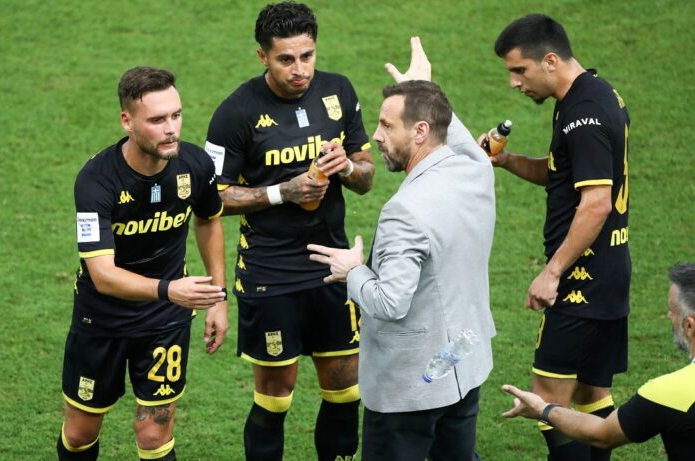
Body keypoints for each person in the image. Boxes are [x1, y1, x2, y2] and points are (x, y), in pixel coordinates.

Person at [308, 41, 497, 460]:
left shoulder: (404, 211)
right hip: (462, 362)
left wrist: (352, 270)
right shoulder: (476, 168)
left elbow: (390, 303)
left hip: (412, 387)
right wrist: (423, 88)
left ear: (420, 132)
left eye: (386, 126)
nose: (375, 135)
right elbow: (457, 137)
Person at [204, 3, 374, 460]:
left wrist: (347, 167)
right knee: (276, 395)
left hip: (333, 266)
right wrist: (283, 192)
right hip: (270, 273)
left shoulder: (339, 91)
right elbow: (212, 197)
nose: (300, 70)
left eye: (307, 56)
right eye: (286, 59)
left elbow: (366, 176)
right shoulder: (235, 113)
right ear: (263, 56)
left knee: (346, 390)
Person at [57, 67, 228, 461]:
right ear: (127, 121)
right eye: (157, 120)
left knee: (153, 433)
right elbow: (103, 275)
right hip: (102, 318)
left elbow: (208, 220)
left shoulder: (196, 165)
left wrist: (217, 297)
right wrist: (170, 290)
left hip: (165, 319)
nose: (171, 129)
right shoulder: (96, 181)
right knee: (80, 433)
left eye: (176, 115)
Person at [488, 14, 631, 460]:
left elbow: (596, 203)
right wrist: (508, 161)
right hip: (610, 273)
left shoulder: (582, 116)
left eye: (520, 70)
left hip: (581, 280)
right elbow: (563, 175)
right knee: (591, 396)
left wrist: (552, 272)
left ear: (550, 60)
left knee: (545, 401)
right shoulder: (594, 93)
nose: (514, 83)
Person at [501, 263, 695, 461]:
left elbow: (602, 434)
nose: (668, 316)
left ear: (689, 326)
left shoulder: (669, 393)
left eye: (672, 311)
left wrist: (542, 409)